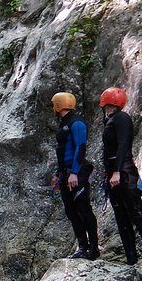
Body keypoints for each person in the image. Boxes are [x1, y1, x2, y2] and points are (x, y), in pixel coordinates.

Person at [99, 87, 142, 265]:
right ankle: (131, 258)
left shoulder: (122, 118)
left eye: (109, 106)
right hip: (114, 173)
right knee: (121, 216)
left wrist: (117, 171)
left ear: (115, 106)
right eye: (106, 106)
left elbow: (123, 145)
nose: (107, 109)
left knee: (136, 212)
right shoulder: (110, 120)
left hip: (124, 171)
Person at [50, 92, 100, 260]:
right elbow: (62, 152)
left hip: (77, 173)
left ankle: (93, 248)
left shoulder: (76, 123)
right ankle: (82, 247)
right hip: (66, 174)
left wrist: (74, 173)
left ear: (58, 105)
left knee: (84, 210)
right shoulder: (63, 124)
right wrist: (59, 173)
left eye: (53, 105)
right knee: (71, 212)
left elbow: (81, 148)